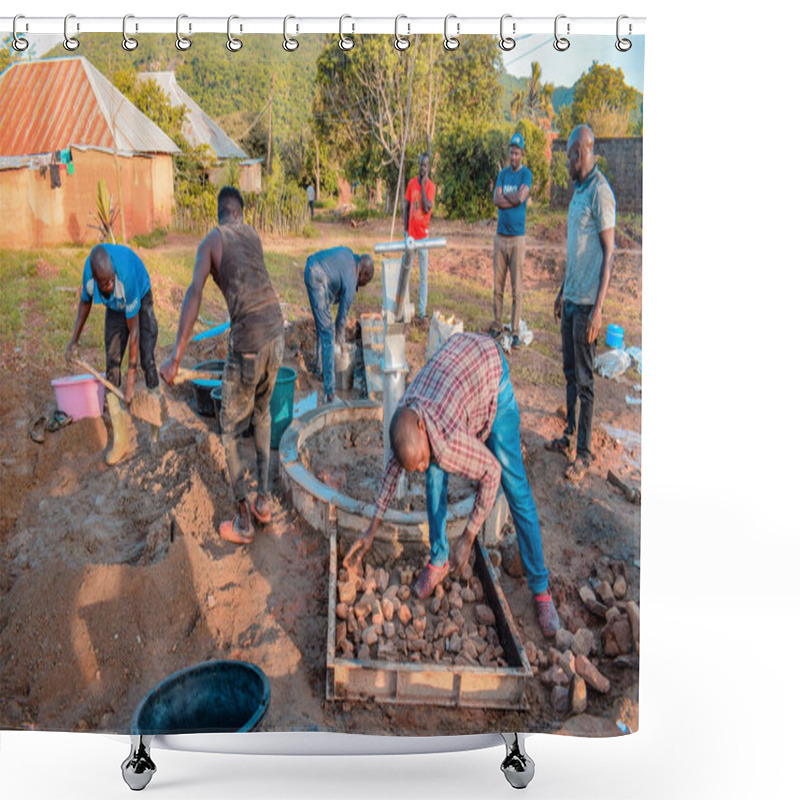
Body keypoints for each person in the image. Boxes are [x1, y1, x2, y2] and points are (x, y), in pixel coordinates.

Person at [345, 332, 560, 638]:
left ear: (423, 426)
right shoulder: (406, 423)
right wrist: (370, 530)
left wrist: (468, 536)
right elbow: (393, 473)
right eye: (413, 466)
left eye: (419, 460)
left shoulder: (443, 442)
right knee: (434, 474)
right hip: (458, 371)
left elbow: (492, 472)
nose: (418, 468)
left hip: (489, 374)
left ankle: (541, 590)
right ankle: (438, 560)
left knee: (515, 486)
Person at [159, 187, 285, 545]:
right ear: (239, 214)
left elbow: (194, 293)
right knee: (261, 416)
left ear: (220, 214)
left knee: (229, 429)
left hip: (248, 344)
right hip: (277, 335)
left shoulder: (212, 242)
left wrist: (175, 357)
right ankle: (263, 501)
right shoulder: (252, 234)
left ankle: (244, 521)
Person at [547, 125, 616, 482]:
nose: (568, 163)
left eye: (570, 156)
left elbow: (608, 253)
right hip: (571, 299)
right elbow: (576, 251)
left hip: (589, 304)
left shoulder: (600, 194)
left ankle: (584, 453)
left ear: (581, 153)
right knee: (571, 374)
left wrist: (599, 309)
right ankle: (569, 435)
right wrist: (562, 291)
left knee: (586, 382)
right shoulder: (578, 192)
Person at [65, 243, 159, 465]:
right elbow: (84, 306)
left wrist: (130, 382)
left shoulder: (125, 277)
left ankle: (156, 432)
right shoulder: (90, 279)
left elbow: (133, 330)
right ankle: (121, 440)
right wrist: (73, 341)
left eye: (110, 280)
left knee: (147, 359)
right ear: (96, 280)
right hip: (115, 308)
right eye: (104, 282)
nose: (108, 284)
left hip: (139, 296)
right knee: (112, 367)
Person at [304, 246, 374, 404]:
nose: (360, 287)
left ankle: (320, 369)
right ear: (364, 275)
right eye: (363, 283)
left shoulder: (349, 254)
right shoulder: (351, 282)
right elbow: (340, 322)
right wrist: (342, 348)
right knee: (328, 333)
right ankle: (330, 394)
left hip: (311, 267)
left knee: (323, 324)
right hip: (318, 276)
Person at [491, 132, 533, 349]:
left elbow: (521, 198)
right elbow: (497, 199)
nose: (513, 156)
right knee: (498, 286)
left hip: (517, 238)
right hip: (500, 237)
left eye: (517, 153)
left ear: (522, 154)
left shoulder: (527, 174)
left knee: (517, 288)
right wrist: (512, 199)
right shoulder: (503, 174)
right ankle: (497, 325)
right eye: (511, 152)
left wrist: (508, 199)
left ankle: (515, 331)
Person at [401, 153, 436, 319]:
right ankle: (404, 307)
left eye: (426, 165)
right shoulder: (410, 183)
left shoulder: (430, 186)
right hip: (411, 235)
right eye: (421, 164)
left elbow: (426, 207)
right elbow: (406, 207)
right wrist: (405, 230)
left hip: (423, 237)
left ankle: (422, 311)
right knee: (405, 271)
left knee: (423, 276)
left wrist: (422, 186)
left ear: (429, 168)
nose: (423, 168)